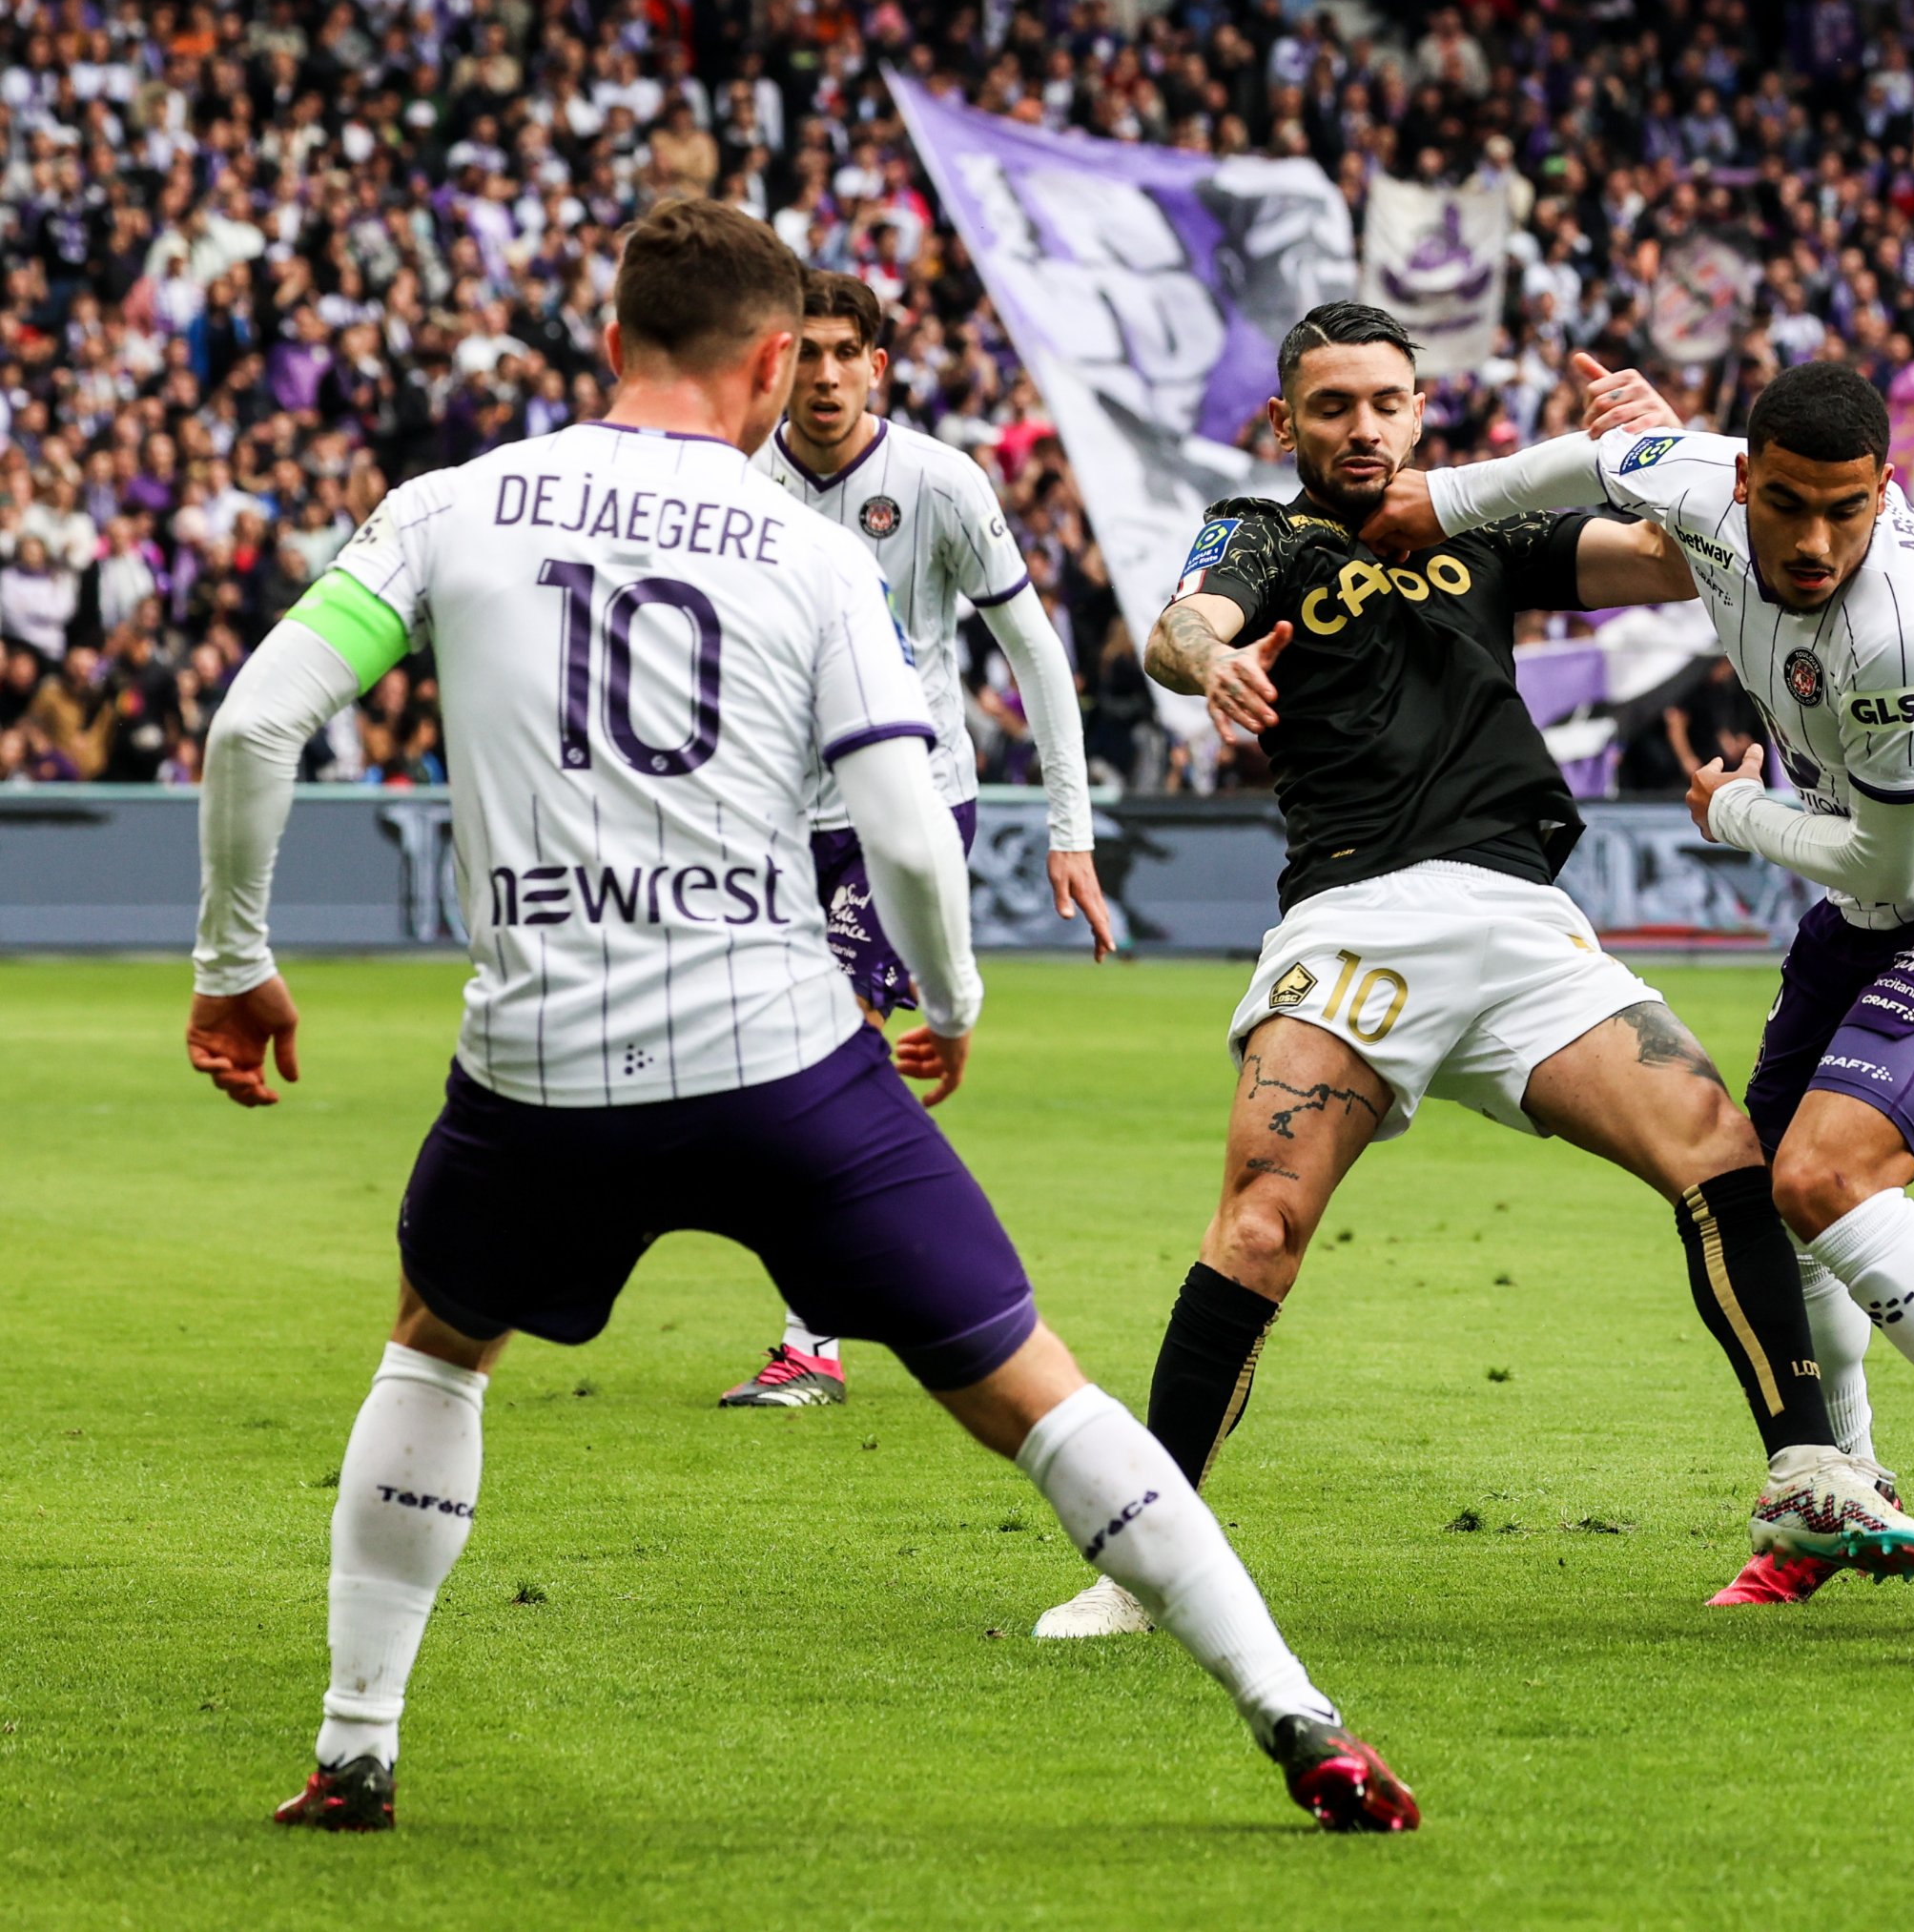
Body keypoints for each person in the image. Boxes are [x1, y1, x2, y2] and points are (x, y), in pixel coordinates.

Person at [184, 201, 1416, 1835]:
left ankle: (355, 1746)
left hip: (540, 1062)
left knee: (437, 1341)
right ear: (775, 362)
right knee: (1026, 1389)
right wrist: (952, 1002)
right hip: (779, 1057)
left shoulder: (447, 508)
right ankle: (1298, 1714)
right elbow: (908, 835)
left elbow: (258, 721)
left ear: (613, 332)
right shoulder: (813, 552)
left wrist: (231, 965)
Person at [1032, 300, 1914, 1641]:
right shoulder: (1267, 531)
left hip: (1520, 920)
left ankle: (1805, 1468)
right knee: (1262, 1224)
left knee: (1719, 1147)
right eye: (1330, 405)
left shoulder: (1480, 528)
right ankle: (1145, 1564)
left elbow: (1682, 555)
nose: (1361, 426)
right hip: (1352, 924)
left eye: (1385, 400)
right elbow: (1183, 622)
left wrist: (1654, 445)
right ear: (1288, 422)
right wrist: (1211, 653)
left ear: (1420, 409)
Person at [1400, 354, 1914, 1610]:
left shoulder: (1900, 633)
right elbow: (1580, 464)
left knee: (1825, 1174)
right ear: (1745, 477)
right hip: (1872, 911)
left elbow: (1886, 850)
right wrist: (1429, 503)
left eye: (1847, 508)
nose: (1815, 540)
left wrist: (1738, 809)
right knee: (1758, 1190)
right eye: (1790, 504)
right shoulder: (1698, 478)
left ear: (1888, 490)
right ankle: (1841, 1496)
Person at [719, 269, 1121, 1408]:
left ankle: (816, 1340)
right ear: (775, 360)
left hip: (909, 799)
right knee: (766, 1069)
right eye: (809, 352)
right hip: (770, 813)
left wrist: (1069, 830)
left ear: (878, 366)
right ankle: (914, 1279)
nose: (829, 372)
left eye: (850, 351)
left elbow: (1035, 656)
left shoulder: (940, 484)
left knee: (837, 1044)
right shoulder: (738, 484)